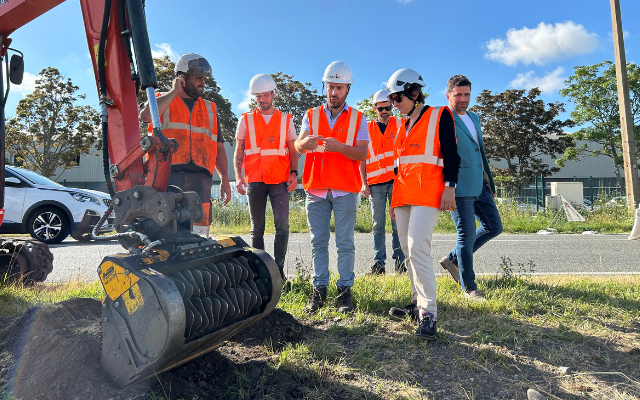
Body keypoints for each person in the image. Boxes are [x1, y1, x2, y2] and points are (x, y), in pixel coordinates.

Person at [386, 68, 460, 339]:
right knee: (407, 251)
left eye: (397, 98)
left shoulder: (439, 115)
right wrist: (393, 202)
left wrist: (450, 188)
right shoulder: (402, 125)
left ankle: (429, 313)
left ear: (414, 93)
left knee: (418, 249)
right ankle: (418, 305)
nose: (394, 104)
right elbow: (399, 168)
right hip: (403, 196)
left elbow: (452, 156)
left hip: (429, 194)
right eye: (392, 100)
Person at [294, 61, 368, 313]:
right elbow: (297, 147)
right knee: (318, 242)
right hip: (315, 189)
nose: (334, 92)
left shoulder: (358, 117)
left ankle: (344, 293)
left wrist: (341, 148)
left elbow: (361, 153)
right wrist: (305, 144)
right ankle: (319, 292)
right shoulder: (310, 114)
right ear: (324, 87)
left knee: (345, 243)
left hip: (345, 189)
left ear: (347, 89)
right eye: (330, 87)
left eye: (339, 87)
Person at [140, 53, 231, 237]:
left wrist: (225, 179)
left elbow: (219, 147)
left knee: (199, 234)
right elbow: (146, 115)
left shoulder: (210, 108)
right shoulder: (160, 99)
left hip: (201, 180)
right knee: (164, 232)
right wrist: (174, 92)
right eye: (198, 78)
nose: (202, 83)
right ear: (181, 77)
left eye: (204, 78)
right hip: (166, 177)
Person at [439, 74, 503, 300]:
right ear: (448, 95)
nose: (463, 99)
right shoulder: (442, 118)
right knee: (465, 235)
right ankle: (469, 287)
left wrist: (489, 181)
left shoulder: (474, 117)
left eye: (466, 94)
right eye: (458, 95)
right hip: (458, 186)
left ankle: (451, 259)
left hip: (480, 183)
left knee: (494, 226)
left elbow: (480, 153)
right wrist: (447, 186)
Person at [234, 74, 298, 279]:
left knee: (282, 224)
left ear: (273, 94)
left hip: (280, 179)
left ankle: (278, 271)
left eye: (265, 95)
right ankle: (259, 272)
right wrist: (238, 176)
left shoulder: (286, 120)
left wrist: (294, 173)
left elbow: (293, 150)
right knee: (257, 228)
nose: (261, 99)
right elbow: (238, 150)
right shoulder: (245, 120)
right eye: (258, 96)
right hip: (254, 179)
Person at [360, 89, 406, 275]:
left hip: (397, 183)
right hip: (375, 184)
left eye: (387, 107)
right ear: (375, 108)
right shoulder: (367, 128)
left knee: (398, 225)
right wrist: (364, 183)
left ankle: (401, 263)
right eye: (381, 109)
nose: (385, 111)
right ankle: (379, 264)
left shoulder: (400, 123)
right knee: (378, 225)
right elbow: (362, 158)